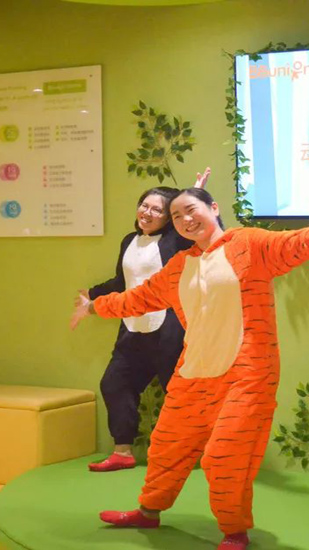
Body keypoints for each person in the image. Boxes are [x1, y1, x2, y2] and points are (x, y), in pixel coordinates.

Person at [70, 189, 309, 550]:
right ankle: (148, 511)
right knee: (166, 447)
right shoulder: (180, 266)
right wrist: (93, 307)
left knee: (224, 456)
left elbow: (298, 243)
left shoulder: (249, 245)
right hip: (193, 372)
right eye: (177, 216)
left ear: (213, 208)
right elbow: (140, 298)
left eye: (191, 210)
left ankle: (234, 530)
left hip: (247, 374)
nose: (185, 220)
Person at [77, 170, 210, 472]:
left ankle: (192, 454)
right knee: (114, 383)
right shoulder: (129, 241)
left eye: (157, 210)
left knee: (178, 393)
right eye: (144, 206)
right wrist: (92, 295)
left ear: (168, 218)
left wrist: (194, 193)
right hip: (132, 330)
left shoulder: (176, 241)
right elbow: (122, 282)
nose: (147, 213)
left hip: (169, 331)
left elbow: (193, 227)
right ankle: (122, 452)